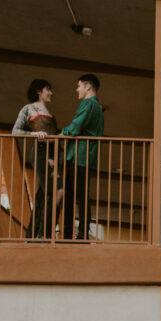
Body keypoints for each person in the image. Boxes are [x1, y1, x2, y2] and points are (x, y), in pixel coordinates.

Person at [12, 78, 59, 239]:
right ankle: (43, 235)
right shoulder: (28, 108)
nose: (51, 93)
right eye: (48, 89)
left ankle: (31, 235)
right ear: (39, 91)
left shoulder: (49, 112)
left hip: (54, 155)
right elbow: (15, 131)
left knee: (41, 196)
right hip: (40, 152)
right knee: (55, 191)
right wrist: (34, 134)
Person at [60, 73, 104, 240]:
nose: (76, 90)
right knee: (77, 194)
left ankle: (77, 233)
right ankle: (77, 232)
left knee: (76, 195)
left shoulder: (89, 104)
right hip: (83, 156)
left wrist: (60, 135)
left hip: (79, 156)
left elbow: (75, 127)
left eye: (79, 86)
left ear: (88, 87)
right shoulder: (97, 107)